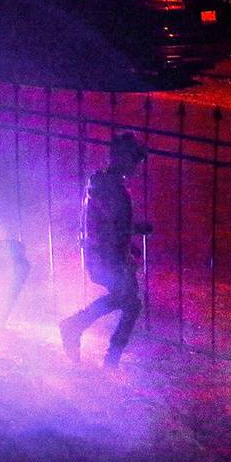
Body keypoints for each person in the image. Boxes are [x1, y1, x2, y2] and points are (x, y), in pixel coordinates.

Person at [59, 133, 152, 368]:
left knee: (128, 301)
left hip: (106, 255)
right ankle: (106, 355)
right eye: (134, 160)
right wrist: (135, 231)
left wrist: (128, 241)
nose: (137, 167)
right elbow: (112, 224)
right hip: (105, 257)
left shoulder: (105, 183)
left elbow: (107, 222)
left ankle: (84, 334)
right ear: (120, 158)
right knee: (130, 302)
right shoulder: (110, 186)